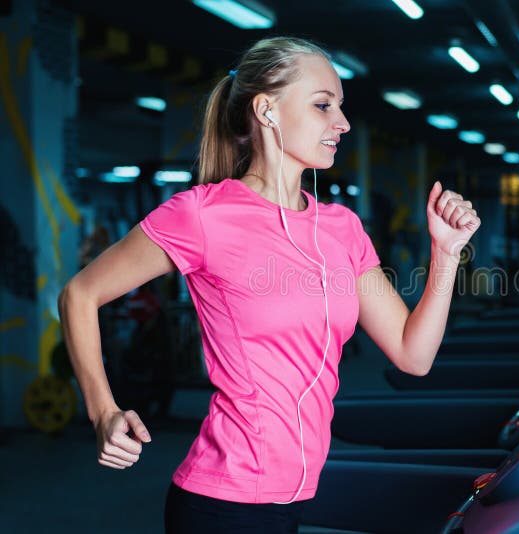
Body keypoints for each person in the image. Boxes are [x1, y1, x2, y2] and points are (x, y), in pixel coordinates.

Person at [58, 36, 480, 534]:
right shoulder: (203, 216)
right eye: (323, 106)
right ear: (267, 110)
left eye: (340, 108)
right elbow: (79, 294)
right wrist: (103, 411)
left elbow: (414, 355)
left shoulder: (342, 228)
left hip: (296, 497)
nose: (341, 123)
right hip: (222, 503)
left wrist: (446, 253)